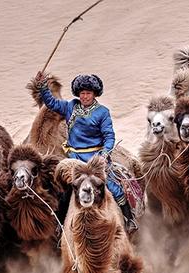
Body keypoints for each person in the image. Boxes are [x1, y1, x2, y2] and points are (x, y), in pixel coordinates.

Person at [34, 71, 137, 232]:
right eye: (82, 93)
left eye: (88, 93)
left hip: (95, 157)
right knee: (64, 189)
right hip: (74, 158)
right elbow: (51, 103)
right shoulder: (70, 106)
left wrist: (104, 153)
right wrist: (42, 87)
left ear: (94, 94)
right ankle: (61, 225)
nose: (85, 96)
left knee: (112, 186)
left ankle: (129, 219)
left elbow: (109, 136)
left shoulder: (102, 112)